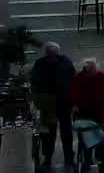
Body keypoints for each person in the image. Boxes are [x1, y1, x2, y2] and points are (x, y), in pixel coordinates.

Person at [29, 41, 76, 172]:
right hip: (49, 104)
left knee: (66, 131)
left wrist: (74, 100)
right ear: (47, 54)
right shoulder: (40, 64)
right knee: (49, 133)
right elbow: (34, 83)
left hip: (64, 103)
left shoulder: (65, 62)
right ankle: (48, 156)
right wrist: (38, 100)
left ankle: (68, 157)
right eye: (50, 56)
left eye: (54, 55)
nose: (53, 58)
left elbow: (74, 79)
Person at [68, 58, 104, 173]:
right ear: (85, 69)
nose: (93, 72)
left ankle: (101, 161)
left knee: (101, 137)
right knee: (86, 138)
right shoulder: (78, 78)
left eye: (94, 70)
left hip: (100, 112)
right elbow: (72, 93)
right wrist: (74, 104)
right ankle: (87, 160)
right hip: (84, 113)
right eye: (91, 70)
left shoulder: (102, 76)